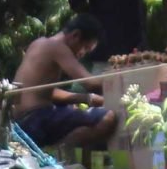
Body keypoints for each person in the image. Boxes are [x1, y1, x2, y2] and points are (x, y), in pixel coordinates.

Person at [13, 12, 121, 152]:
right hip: (36, 120)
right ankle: (57, 155)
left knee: (79, 114)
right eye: (86, 49)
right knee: (108, 117)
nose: (82, 54)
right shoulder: (57, 47)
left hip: (23, 122)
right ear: (75, 35)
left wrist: (86, 98)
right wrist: (123, 79)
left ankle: (53, 152)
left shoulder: (39, 44)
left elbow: (43, 91)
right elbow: (90, 83)